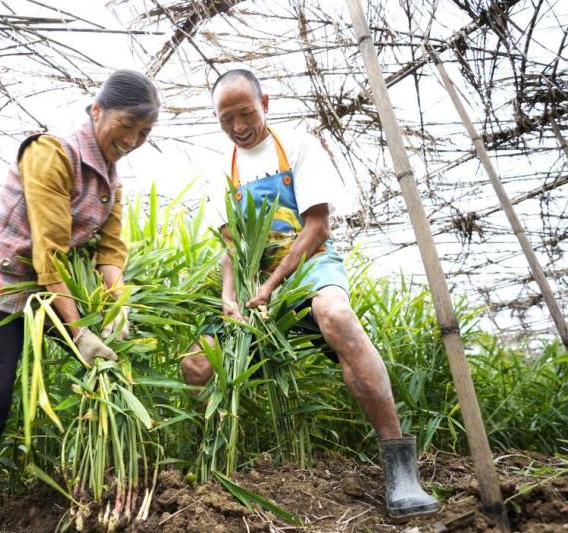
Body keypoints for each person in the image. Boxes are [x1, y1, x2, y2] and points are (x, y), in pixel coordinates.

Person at [180, 69, 438, 518]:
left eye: (246, 113)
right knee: (196, 365)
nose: (238, 127)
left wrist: (273, 284)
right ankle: (212, 468)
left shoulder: (299, 146)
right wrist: (230, 296)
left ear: (265, 103)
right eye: (226, 119)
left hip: (308, 265)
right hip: (254, 280)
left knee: (335, 315)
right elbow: (231, 248)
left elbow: (317, 227)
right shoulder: (223, 170)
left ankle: (400, 468)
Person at [0, 70, 160, 533]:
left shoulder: (112, 177)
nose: (133, 140)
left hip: (51, 290)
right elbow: (51, 255)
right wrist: (79, 332)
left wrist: (116, 305)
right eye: (127, 125)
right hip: (3, 284)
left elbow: (110, 251)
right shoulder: (51, 153)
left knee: (112, 370)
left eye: (144, 133)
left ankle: (105, 493)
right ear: (97, 110)